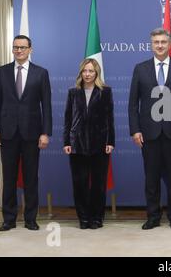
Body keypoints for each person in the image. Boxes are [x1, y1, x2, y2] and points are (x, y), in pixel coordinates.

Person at [128, 28, 171, 230]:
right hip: (148, 134)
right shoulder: (140, 69)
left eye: (163, 42)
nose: (159, 45)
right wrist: (135, 130)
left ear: (170, 44)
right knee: (151, 178)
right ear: (151, 44)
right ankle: (153, 216)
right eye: (156, 42)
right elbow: (133, 104)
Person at [0, 35, 52, 232]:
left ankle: (30, 219)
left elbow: (47, 106)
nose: (19, 51)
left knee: (31, 177)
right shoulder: (2, 72)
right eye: (16, 47)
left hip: (32, 134)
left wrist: (45, 133)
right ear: (12, 49)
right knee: (8, 177)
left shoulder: (41, 73)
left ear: (30, 50)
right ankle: (8, 219)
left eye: (23, 47)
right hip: (7, 133)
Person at [63, 58, 115, 229]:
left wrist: (110, 141)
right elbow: (68, 119)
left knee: (99, 185)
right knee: (80, 184)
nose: (87, 74)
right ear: (81, 73)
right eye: (85, 71)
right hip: (76, 144)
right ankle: (83, 218)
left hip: (99, 144)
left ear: (96, 73)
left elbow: (109, 118)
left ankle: (97, 217)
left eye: (91, 71)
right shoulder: (73, 92)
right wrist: (66, 141)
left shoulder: (105, 91)